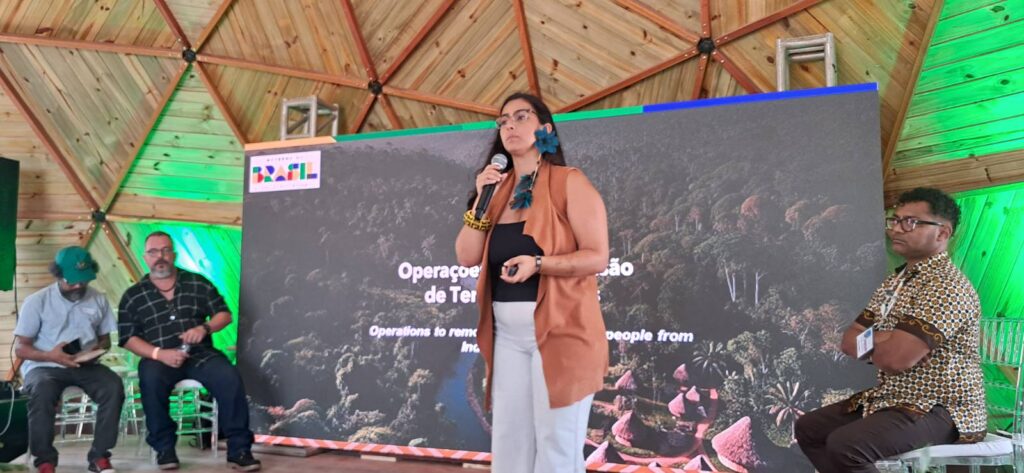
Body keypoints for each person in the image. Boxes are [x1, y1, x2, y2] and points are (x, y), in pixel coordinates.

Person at [455, 92, 609, 473]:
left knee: (556, 447)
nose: (509, 125)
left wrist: (539, 263)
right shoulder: (496, 191)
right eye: (503, 120)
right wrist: (480, 202)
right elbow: (466, 255)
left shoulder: (568, 182)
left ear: (545, 129)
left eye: (521, 117)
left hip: (563, 331)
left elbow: (597, 256)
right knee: (509, 444)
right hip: (507, 336)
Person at [795, 187, 986, 473]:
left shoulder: (946, 286)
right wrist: (889, 339)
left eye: (910, 222)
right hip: (893, 398)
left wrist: (882, 343)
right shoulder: (895, 283)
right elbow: (848, 343)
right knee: (809, 428)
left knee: (846, 445)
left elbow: (894, 360)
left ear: (942, 233)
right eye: (895, 220)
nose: (896, 228)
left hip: (944, 408)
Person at [117, 231, 260, 471]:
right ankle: (164, 449)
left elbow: (224, 314)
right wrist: (158, 354)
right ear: (145, 257)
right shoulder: (133, 296)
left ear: (174, 253)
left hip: (200, 354)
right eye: (153, 252)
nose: (160, 257)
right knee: (150, 380)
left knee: (229, 376)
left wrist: (205, 328)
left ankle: (239, 450)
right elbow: (127, 338)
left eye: (165, 250)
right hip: (158, 357)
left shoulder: (197, 282)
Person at [13, 246, 123, 473]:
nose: (78, 286)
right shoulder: (37, 301)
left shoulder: (98, 299)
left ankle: (99, 457)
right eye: (71, 281)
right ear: (57, 275)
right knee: (41, 390)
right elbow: (21, 349)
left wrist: (93, 352)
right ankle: (44, 461)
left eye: (83, 281)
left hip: (85, 365)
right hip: (45, 365)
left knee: (113, 386)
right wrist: (50, 355)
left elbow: (105, 340)